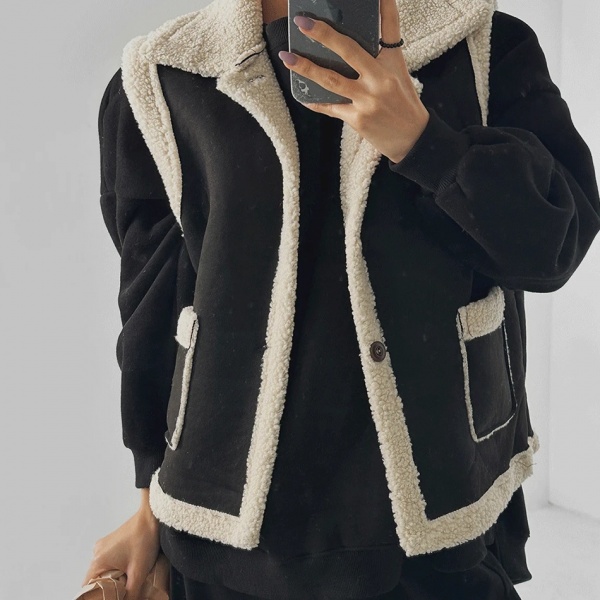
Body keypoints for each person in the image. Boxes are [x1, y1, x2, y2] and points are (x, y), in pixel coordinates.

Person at [84, 0, 600, 598]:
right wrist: (149, 502)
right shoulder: (165, 73)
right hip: (226, 540)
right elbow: (154, 308)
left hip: (434, 530)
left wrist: (425, 141)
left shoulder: (482, 44)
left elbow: (554, 245)